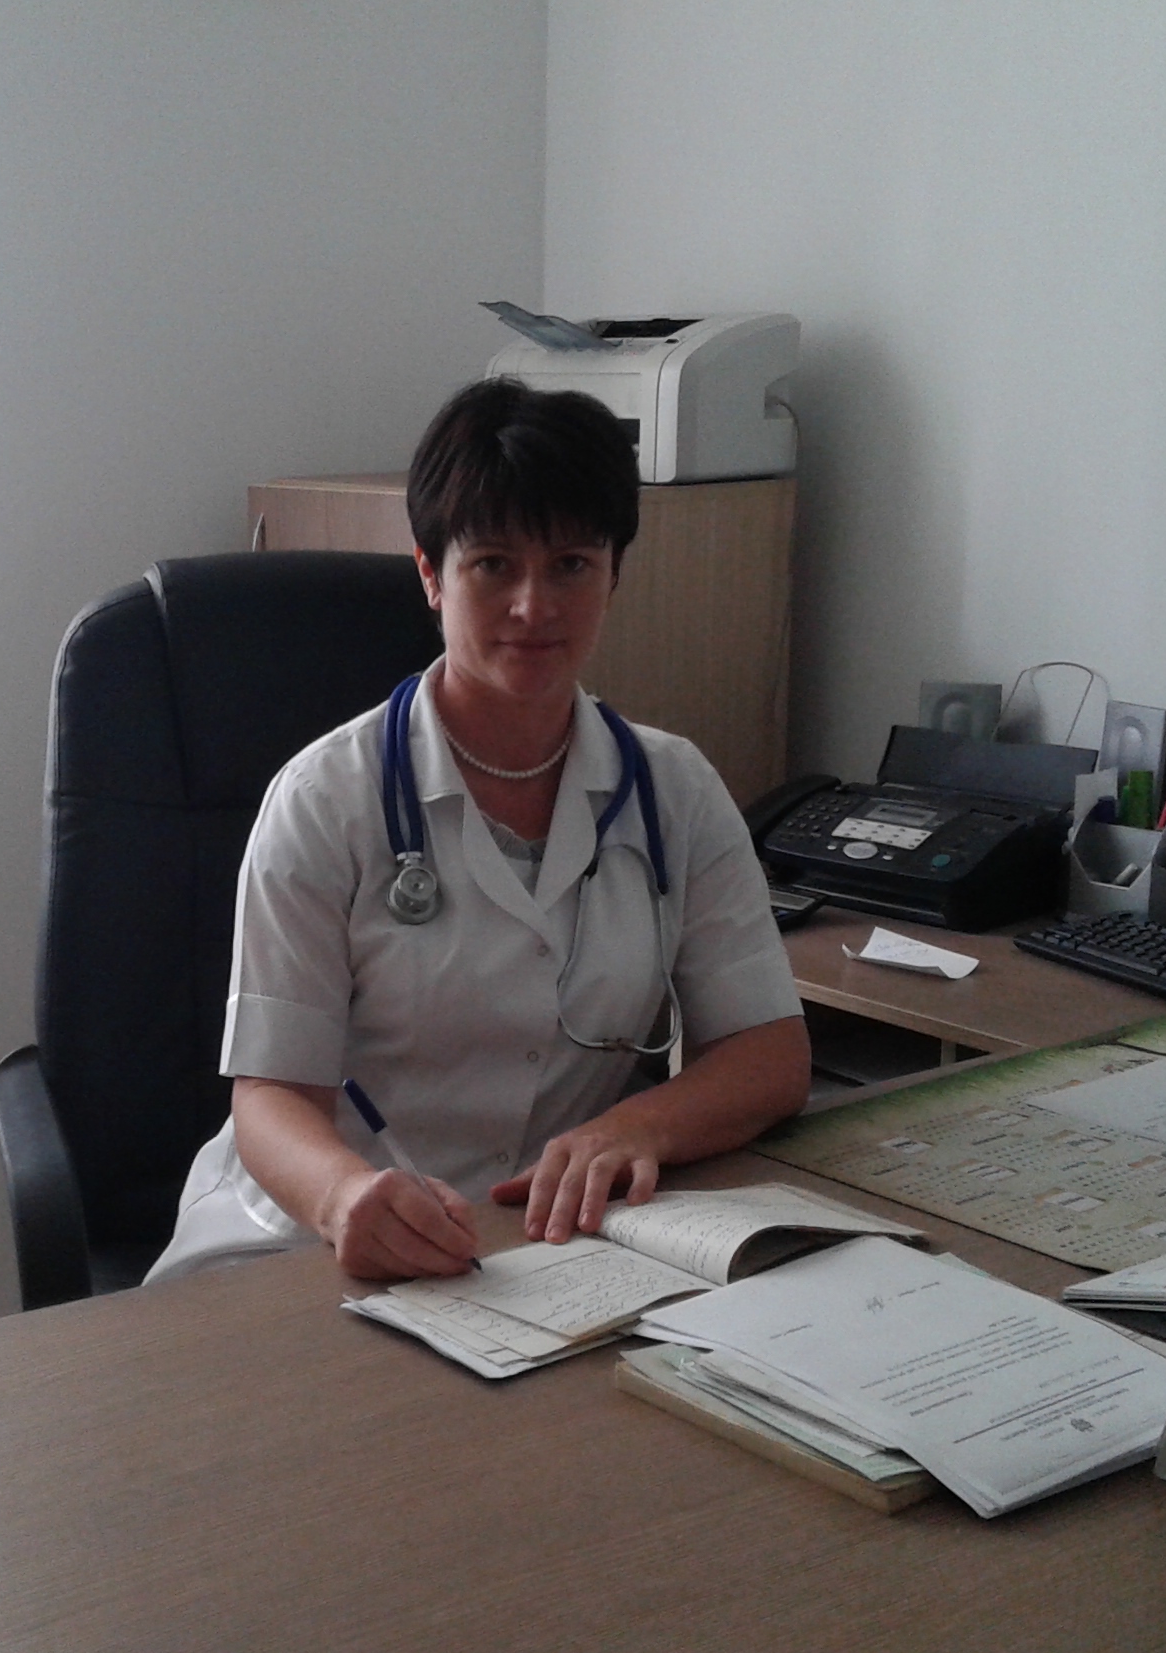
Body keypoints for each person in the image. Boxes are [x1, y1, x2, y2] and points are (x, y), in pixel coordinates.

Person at [145, 378, 810, 1285]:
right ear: (431, 574)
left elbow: (770, 1053)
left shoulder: (674, 789)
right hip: (307, 1243)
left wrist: (635, 1126)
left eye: (571, 564)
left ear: (616, 573)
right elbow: (269, 1095)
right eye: (494, 564)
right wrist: (343, 1199)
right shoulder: (324, 799)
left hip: (543, 1249)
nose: (534, 606)